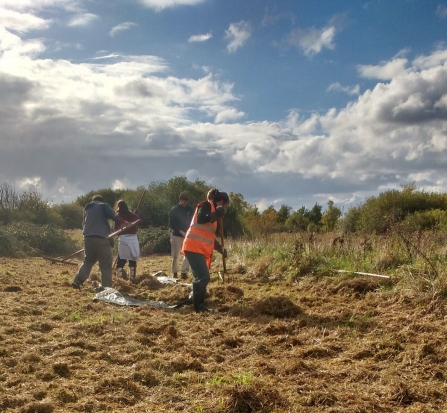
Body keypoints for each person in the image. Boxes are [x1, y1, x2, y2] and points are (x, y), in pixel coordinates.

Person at [182, 188, 229, 312]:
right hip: (193, 246)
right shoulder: (206, 205)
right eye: (225, 205)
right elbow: (201, 218)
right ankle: (199, 306)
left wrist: (221, 250)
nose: (225, 208)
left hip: (198, 248)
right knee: (203, 277)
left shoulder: (214, 213)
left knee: (200, 276)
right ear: (221, 202)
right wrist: (216, 214)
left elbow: (210, 237)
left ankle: (195, 299)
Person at [72, 195, 126, 292]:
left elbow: (83, 224)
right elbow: (112, 215)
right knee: (105, 263)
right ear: (101, 200)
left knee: (88, 261)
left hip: (87, 238)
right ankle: (106, 287)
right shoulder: (103, 205)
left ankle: (77, 281)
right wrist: (122, 221)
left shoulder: (87, 209)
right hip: (101, 238)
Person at [114, 200, 141, 284]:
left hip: (123, 239)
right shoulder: (132, 215)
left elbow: (115, 230)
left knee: (121, 259)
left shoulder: (118, 216)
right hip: (133, 239)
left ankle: (120, 281)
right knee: (132, 259)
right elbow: (141, 222)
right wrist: (135, 215)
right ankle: (132, 280)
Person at [168, 191, 194, 279]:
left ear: (187, 201)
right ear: (180, 200)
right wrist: (180, 231)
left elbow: (192, 221)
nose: (184, 202)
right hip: (176, 235)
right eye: (182, 200)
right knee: (176, 255)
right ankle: (174, 273)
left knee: (188, 254)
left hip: (188, 234)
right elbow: (171, 224)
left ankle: (184, 273)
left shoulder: (190, 209)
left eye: (185, 201)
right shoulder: (174, 210)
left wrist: (189, 231)